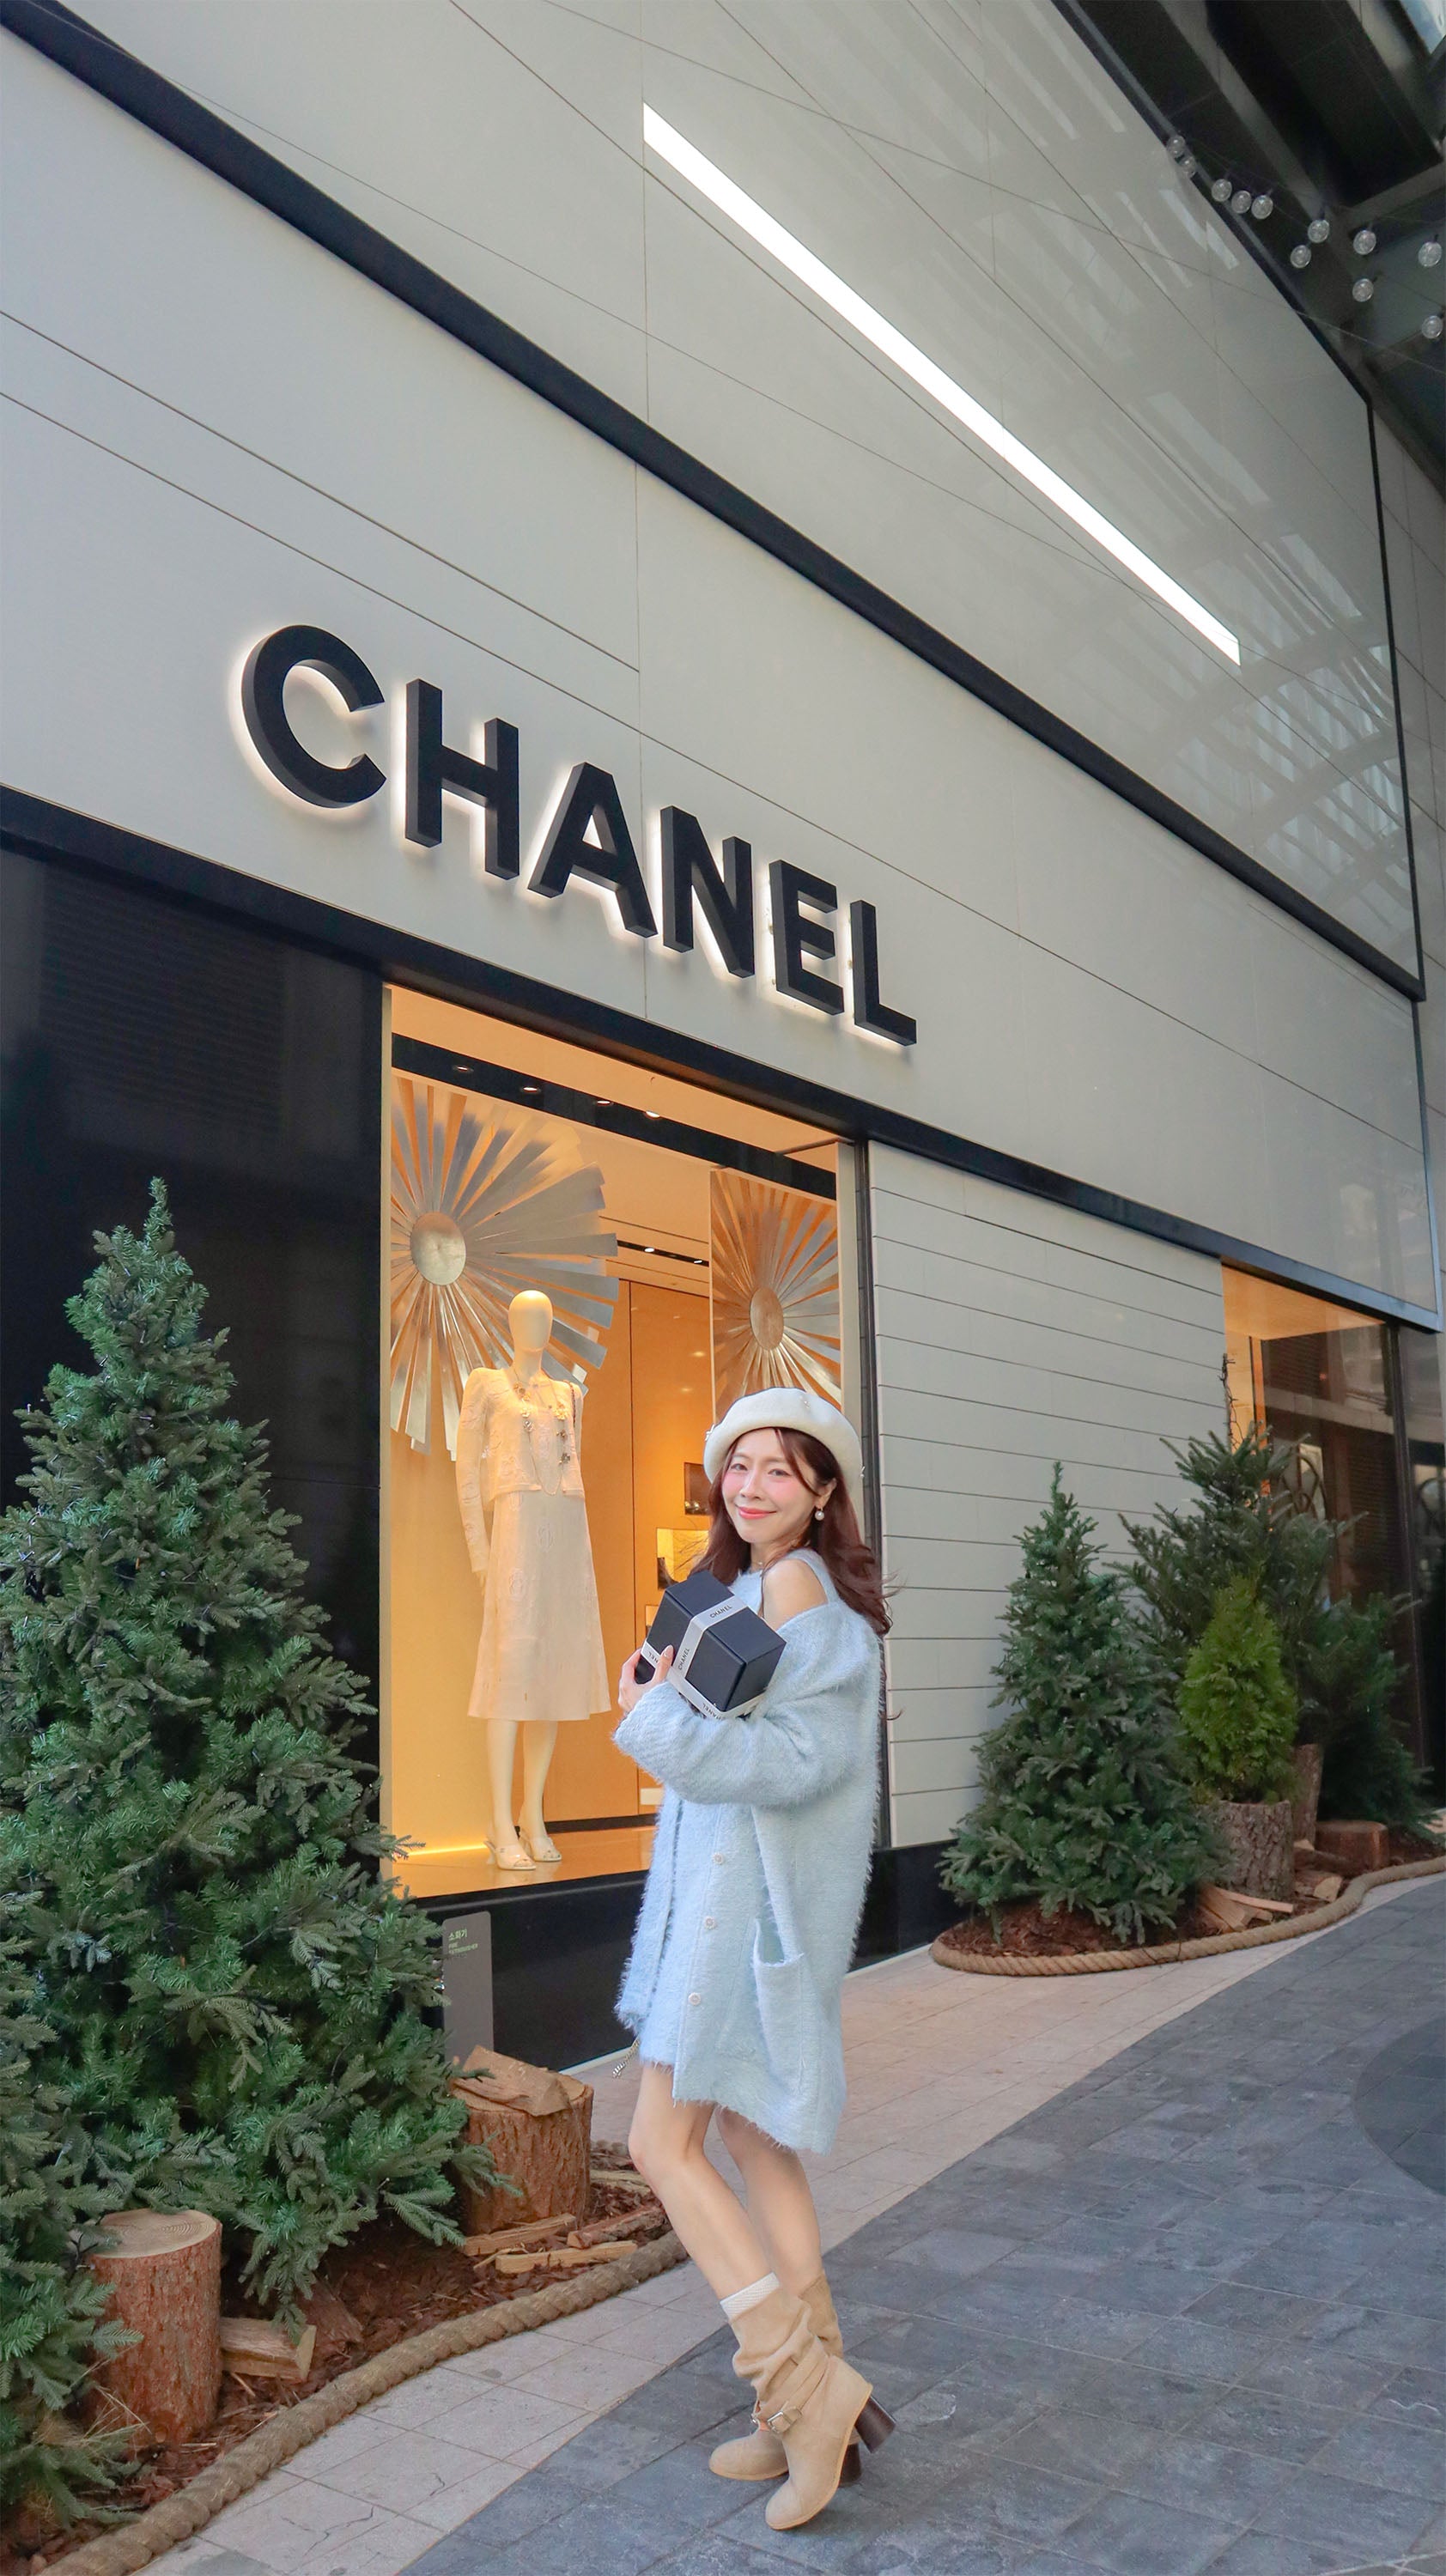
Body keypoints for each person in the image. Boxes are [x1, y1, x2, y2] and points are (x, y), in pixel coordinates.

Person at [614, 1387, 894, 2532]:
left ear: (823, 1493)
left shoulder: (799, 1600)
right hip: (732, 1908)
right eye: (739, 1464)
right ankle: (806, 2401)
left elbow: (785, 1766)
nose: (751, 1485)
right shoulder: (747, 1593)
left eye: (781, 1469)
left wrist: (646, 1715)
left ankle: (805, 2395)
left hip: (739, 1918)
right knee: (751, 2136)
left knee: (659, 2141)